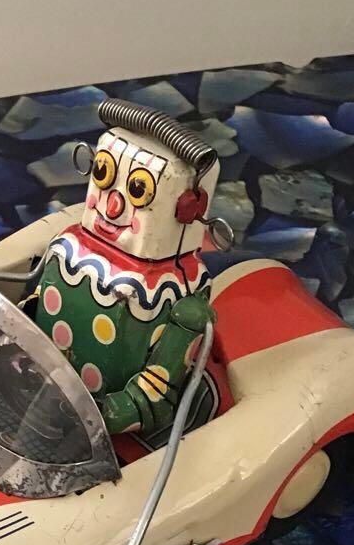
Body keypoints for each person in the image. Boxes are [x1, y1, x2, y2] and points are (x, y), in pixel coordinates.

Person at [32, 101, 223, 438]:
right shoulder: (68, 245)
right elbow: (36, 305)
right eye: (103, 173)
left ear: (187, 208)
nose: (113, 205)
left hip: (88, 422)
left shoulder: (174, 290)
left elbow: (156, 391)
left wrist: (102, 415)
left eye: (138, 191)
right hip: (38, 388)